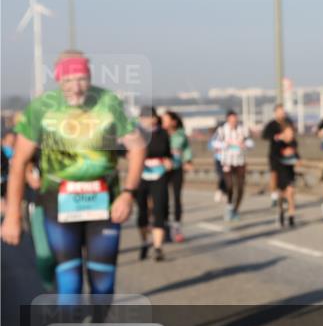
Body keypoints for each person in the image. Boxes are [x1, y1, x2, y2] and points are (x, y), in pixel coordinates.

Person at [1, 50, 145, 298]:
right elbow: (19, 162)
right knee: (69, 278)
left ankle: (97, 322)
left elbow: (138, 146)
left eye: (82, 79)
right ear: (58, 80)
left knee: (103, 281)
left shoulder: (108, 102)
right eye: (68, 81)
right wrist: (12, 214)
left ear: (90, 78)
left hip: (105, 201)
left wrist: (128, 194)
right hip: (58, 201)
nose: (76, 88)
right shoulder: (41, 108)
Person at [136, 108, 173, 261]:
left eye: (150, 117)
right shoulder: (136, 134)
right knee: (143, 212)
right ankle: (145, 242)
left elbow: (168, 153)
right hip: (141, 175)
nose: (148, 120)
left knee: (159, 209)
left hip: (159, 174)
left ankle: (158, 247)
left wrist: (168, 161)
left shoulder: (163, 133)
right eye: (144, 117)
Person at [212, 110, 253, 222]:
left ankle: (235, 209)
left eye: (235, 120)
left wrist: (245, 144)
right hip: (227, 161)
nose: (233, 122)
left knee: (240, 187)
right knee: (229, 185)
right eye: (231, 120)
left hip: (240, 161)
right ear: (227, 120)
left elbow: (251, 143)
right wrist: (225, 144)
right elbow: (213, 143)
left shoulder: (243, 129)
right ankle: (229, 206)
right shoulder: (221, 130)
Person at [162, 111, 192, 242]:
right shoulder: (159, 134)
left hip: (177, 168)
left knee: (177, 198)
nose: (163, 122)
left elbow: (186, 149)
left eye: (166, 120)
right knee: (163, 199)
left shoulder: (181, 135)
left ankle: (177, 227)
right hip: (162, 170)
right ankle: (164, 227)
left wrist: (188, 160)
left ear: (174, 122)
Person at [262, 105, 294, 207]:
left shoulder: (288, 123)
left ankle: (285, 197)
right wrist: (277, 136)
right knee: (274, 175)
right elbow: (264, 136)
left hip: (286, 155)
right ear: (275, 113)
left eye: (283, 112)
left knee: (285, 178)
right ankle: (274, 196)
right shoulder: (271, 124)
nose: (281, 114)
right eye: (279, 112)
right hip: (274, 154)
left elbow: (293, 135)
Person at [274, 123, 299, 227]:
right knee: (282, 195)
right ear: (283, 133)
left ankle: (291, 216)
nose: (290, 135)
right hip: (281, 171)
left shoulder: (294, 143)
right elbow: (275, 157)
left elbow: (297, 156)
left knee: (291, 193)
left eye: (292, 133)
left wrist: (297, 160)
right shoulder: (278, 144)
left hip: (290, 172)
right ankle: (281, 213)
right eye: (288, 133)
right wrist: (285, 154)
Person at [208, 121, 227, 203]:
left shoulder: (230, 133)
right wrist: (221, 146)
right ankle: (219, 191)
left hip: (228, 160)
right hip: (219, 159)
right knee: (222, 176)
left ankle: (224, 192)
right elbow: (210, 145)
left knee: (228, 177)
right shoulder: (216, 135)